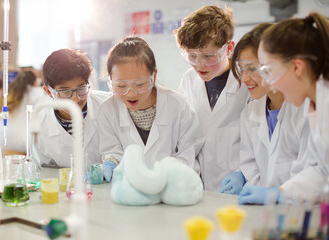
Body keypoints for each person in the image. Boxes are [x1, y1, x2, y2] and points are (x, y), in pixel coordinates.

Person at [217, 23, 321, 204]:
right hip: (271, 212)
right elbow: (251, 165)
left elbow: (318, 171)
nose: (244, 79)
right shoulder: (251, 110)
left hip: (303, 210)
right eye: (242, 69)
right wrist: (252, 185)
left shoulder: (309, 106)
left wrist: (280, 195)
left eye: (254, 69)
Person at [241, 12, 329, 204]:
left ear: (297, 67)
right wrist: (281, 193)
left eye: (268, 71)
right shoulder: (317, 104)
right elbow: (321, 169)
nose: (270, 85)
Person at [98, 37, 204, 182]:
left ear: (153, 77)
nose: (130, 93)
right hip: (131, 192)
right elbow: (113, 152)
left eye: (140, 84)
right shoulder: (107, 110)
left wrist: (160, 179)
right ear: (110, 80)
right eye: (121, 86)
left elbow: (188, 156)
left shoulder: (179, 106)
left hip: (174, 190)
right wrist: (111, 162)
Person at [175, 5, 249, 190]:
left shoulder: (247, 82)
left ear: (229, 48)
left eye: (208, 56)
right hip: (199, 188)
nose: (199, 64)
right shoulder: (189, 80)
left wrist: (243, 173)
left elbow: (259, 140)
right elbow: (185, 136)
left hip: (239, 188)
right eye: (191, 56)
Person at [32, 49, 110, 172]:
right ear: (49, 92)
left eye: (81, 89)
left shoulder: (107, 105)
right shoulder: (40, 124)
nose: (75, 99)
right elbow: (44, 173)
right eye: (66, 92)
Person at [0, 69, 46, 154]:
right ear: (35, 82)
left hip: (2, 139)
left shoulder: (9, 91)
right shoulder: (38, 92)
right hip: (23, 143)